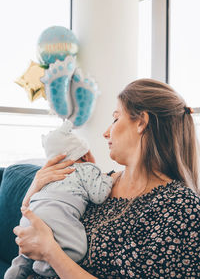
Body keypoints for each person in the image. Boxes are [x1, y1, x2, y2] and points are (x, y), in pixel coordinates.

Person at [13, 79, 200, 278]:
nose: (105, 133)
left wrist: (52, 253)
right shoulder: (99, 183)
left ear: (141, 122)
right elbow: (28, 242)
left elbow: (46, 249)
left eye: (116, 118)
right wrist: (34, 191)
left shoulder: (181, 207)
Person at [4, 120, 115, 279]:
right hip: (55, 215)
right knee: (76, 250)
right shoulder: (87, 169)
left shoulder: (51, 175)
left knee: (23, 258)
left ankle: (14, 273)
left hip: (30, 215)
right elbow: (99, 196)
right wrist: (107, 179)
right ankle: (44, 268)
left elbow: (26, 206)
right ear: (84, 154)